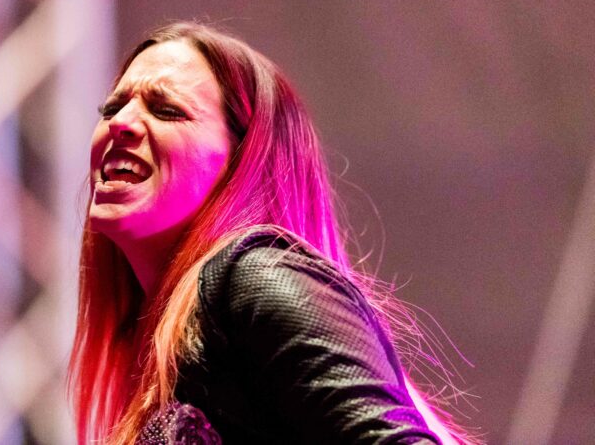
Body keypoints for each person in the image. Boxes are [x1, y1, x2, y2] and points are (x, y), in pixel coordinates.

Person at [68, 22, 460, 444]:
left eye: (166, 110)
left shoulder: (254, 277)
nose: (121, 123)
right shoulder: (171, 335)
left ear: (242, 159)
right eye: (111, 109)